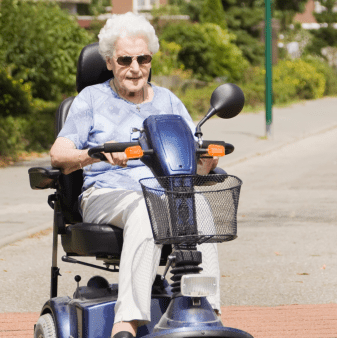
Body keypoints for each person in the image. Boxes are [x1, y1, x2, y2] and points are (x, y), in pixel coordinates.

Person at [49, 12, 221, 338]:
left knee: (201, 205)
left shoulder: (169, 101)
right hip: (106, 192)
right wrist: (95, 153)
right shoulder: (90, 100)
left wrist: (204, 163)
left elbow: (191, 155)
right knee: (146, 207)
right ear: (110, 62)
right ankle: (125, 323)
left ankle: (207, 311)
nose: (135, 68)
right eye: (125, 59)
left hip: (165, 192)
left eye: (143, 59)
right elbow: (58, 155)